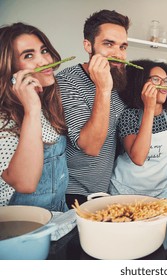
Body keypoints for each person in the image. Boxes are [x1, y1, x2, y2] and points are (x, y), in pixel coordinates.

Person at [56, 10, 129, 207]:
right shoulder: (67, 81)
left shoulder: (119, 79)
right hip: (72, 193)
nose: (118, 53)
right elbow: (90, 146)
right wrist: (103, 89)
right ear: (88, 45)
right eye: (108, 44)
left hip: (104, 191)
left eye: (123, 47)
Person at [0, 23, 68, 211]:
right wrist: (31, 110)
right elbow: (26, 184)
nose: (45, 61)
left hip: (58, 216)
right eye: (28, 55)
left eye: (44, 51)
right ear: (9, 67)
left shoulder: (48, 106)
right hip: (18, 229)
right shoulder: (3, 120)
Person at [109, 59, 167, 198]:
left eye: (166, 81)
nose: (163, 85)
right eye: (156, 80)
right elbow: (138, 158)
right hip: (124, 192)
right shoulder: (129, 115)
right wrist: (149, 107)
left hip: (159, 194)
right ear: (141, 83)